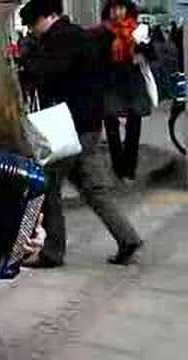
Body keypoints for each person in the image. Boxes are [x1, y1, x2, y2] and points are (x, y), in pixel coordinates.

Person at [19, 0, 143, 267]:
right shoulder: (82, 35)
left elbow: (47, 74)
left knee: (48, 185)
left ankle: (52, 252)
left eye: (33, 24)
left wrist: (28, 59)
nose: (33, 31)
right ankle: (127, 237)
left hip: (68, 128)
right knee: (93, 189)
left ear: (47, 17)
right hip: (88, 124)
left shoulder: (61, 38)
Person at [101, 0, 152, 182]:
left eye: (121, 8)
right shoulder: (103, 32)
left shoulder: (138, 30)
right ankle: (118, 167)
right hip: (111, 82)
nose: (118, 12)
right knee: (111, 124)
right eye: (114, 8)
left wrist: (142, 50)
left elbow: (152, 55)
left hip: (132, 81)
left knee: (134, 123)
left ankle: (129, 168)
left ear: (128, 10)